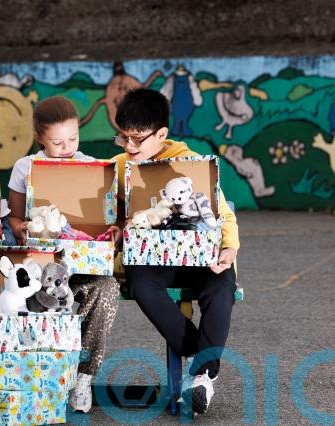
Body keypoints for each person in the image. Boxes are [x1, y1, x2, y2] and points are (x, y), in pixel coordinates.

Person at [112, 88, 239, 415]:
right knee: (140, 283)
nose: (128, 146)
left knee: (222, 284)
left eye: (137, 139)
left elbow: (223, 214)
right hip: (152, 259)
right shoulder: (117, 168)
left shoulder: (192, 163)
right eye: (123, 137)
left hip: (197, 256)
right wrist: (120, 227)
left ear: (161, 134)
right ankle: (200, 355)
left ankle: (202, 377)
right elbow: (106, 217)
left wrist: (229, 248)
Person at [7, 96, 121, 413]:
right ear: (40, 139)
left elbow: (102, 220)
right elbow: (13, 218)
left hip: (83, 264)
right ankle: (44, 377)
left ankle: (83, 377)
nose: (67, 147)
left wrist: (109, 233)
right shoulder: (25, 167)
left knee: (108, 289)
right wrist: (21, 228)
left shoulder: (91, 166)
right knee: (41, 298)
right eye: (57, 142)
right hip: (40, 267)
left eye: (73, 138)